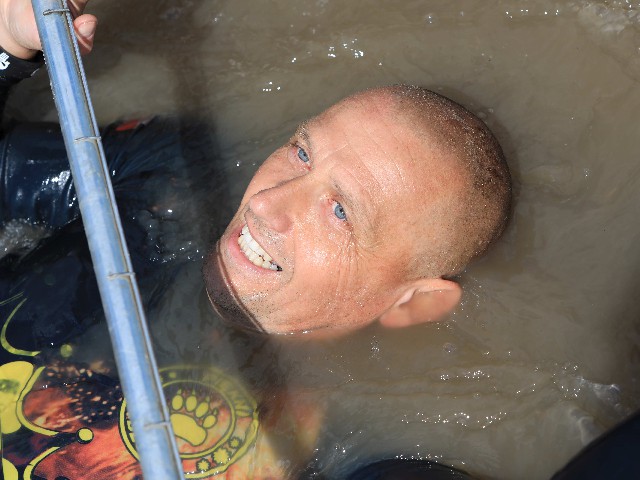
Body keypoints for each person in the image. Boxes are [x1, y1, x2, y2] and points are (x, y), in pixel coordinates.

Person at [0, 0, 512, 479]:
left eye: (340, 212)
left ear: (416, 302)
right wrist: (7, 45)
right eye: (302, 154)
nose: (265, 203)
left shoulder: (350, 449)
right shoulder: (162, 184)